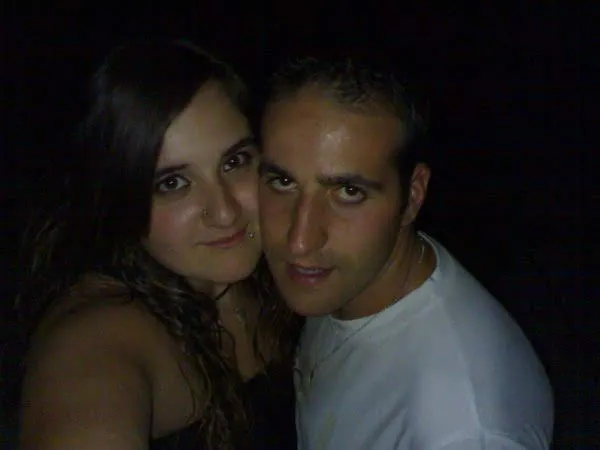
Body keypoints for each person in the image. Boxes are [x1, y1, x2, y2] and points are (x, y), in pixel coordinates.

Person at [14, 40, 300, 450]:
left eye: (234, 161)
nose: (224, 212)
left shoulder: (283, 266)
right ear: (116, 197)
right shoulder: (98, 339)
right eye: (172, 183)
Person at [258, 56, 554, 449]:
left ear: (412, 197)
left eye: (348, 192)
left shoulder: (461, 432)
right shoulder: (348, 282)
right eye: (282, 182)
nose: (300, 241)